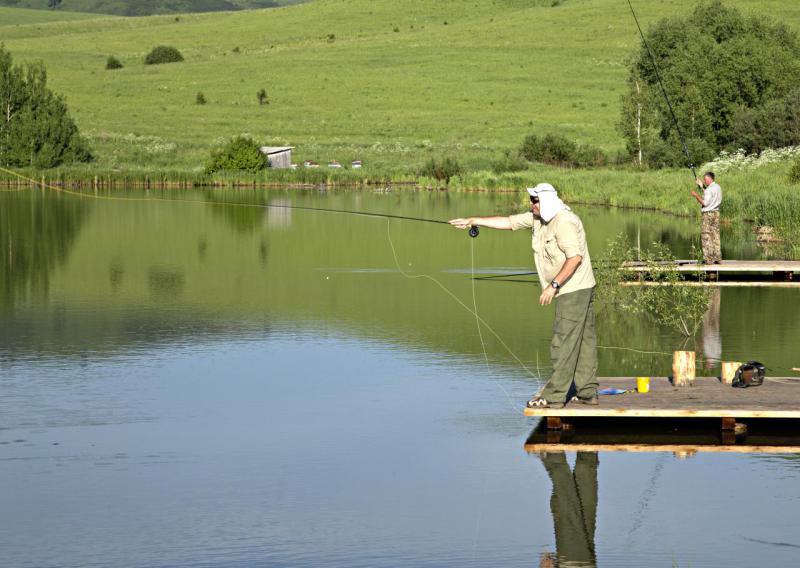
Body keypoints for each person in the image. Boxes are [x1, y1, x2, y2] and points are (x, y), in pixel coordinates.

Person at [449, 183, 598, 408]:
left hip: (573, 288)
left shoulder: (564, 221)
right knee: (584, 341)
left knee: (563, 341)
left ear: (546, 201)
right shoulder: (538, 218)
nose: (531, 204)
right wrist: (472, 220)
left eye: (535, 200)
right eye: (531, 200)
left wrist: (553, 286)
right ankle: (587, 393)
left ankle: (555, 397)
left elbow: (574, 258)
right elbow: (509, 223)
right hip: (579, 286)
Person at [691, 171, 722, 264]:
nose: (704, 181)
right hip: (716, 213)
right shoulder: (717, 187)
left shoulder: (709, 190)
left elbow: (705, 202)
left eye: (705, 179)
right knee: (715, 235)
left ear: (709, 178)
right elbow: (709, 193)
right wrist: (701, 186)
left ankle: (708, 259)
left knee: (706, 236)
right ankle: (717, 257)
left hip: (707, 214)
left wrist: (696, 195)